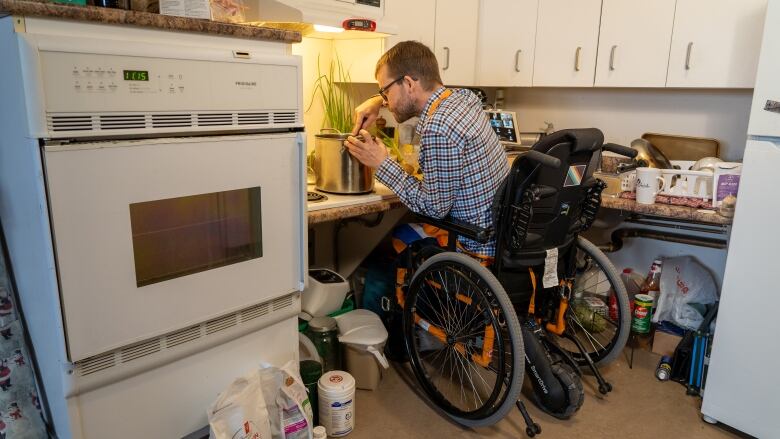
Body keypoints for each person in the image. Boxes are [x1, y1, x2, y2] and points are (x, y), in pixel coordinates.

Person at [343, 41, 509, 258]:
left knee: (393, 245)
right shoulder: (466, 98)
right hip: (497, 238)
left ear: (410, 84)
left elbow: (433, 209)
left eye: (385, 91)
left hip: (472, 249)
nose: (385, 99)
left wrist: (381, 163)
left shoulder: (438, 127)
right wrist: (378, 101)